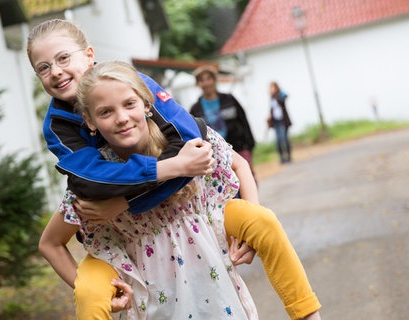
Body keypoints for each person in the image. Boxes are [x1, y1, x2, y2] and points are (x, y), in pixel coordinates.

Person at [28, 19, 321, 320]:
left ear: (144, 103)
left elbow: (207, 152)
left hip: (197, 217)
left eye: (63, 58)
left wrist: (130, 198)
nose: (56, 71)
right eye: (43, 67)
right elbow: (90, 185)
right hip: (128, 242)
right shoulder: (62, 132)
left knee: (261, 221)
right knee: (91, 292)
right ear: (90, 121)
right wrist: (171, 168)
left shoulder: (138, 89)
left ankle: (308, 314)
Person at [42, 60, 259, 318]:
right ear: (90, 121)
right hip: (154, 305)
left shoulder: (185, 144)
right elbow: (49, 243)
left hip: (216, 294)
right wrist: (97, 291)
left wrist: (252, 227)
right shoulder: (94, 184)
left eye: (129, 104)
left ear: (147, 103)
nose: (122, 118)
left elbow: (238, 165)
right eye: (106, 112)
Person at [190, 65, 256, 182]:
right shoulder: (195, 109)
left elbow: (243, 121)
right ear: (198, 84)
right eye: (201, 80)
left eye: (208, 79)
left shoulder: (229, 99)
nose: (206, 83)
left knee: (247, 182)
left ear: (215, 80)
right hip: (214, 156)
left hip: (238, 148)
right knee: (227, 190)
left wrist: (250, 144)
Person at [267, 81, 293, 163]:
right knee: (278, 140)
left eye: (273, 88)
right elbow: (272, 110)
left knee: (284, 139)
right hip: (276, 122)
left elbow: (285, 97)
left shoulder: (279, 96)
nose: (271, 90)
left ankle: (288, 156)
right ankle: (282, 157)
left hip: (283, 121)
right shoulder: (272, 98)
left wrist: (277, 94)